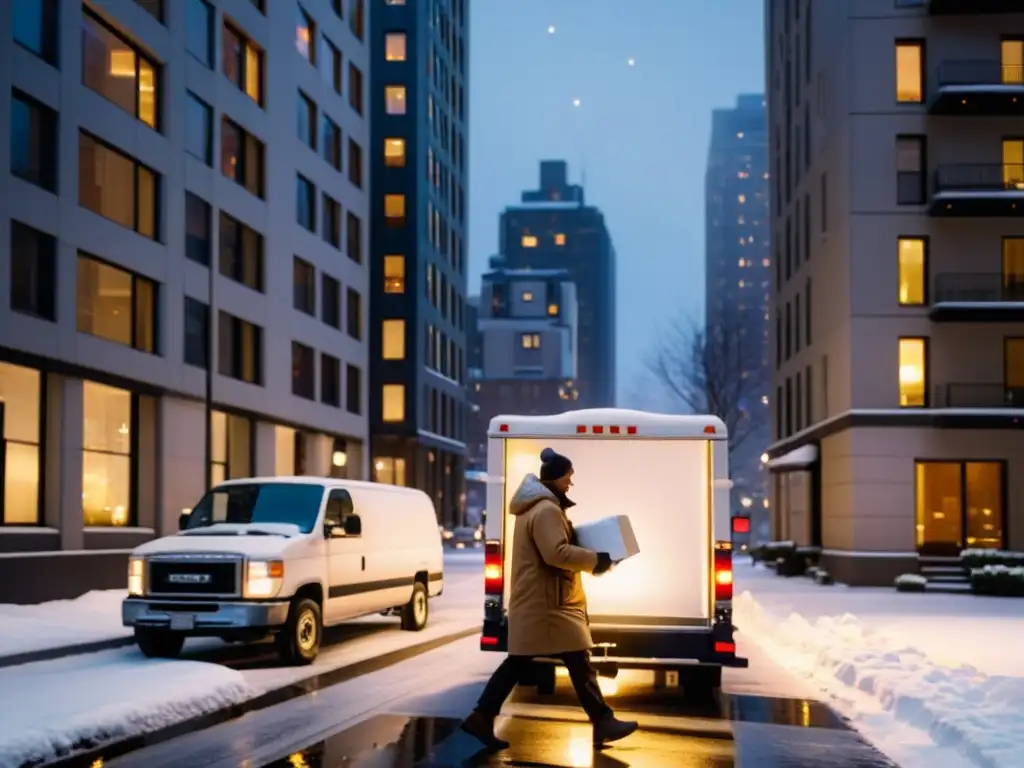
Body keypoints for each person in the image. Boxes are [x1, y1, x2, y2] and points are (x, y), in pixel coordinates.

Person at [461, 447, 639, 750]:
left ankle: (482, 717)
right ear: (556, 478)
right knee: (576, 661)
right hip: (548, 605)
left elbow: (554, 548)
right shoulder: (546, 510)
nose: (571, 483)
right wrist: (597, 559)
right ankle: (603, 721)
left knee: (524, 663)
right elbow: (555, 553)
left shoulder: (540, 508)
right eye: (569, 477)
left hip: (545, 601)